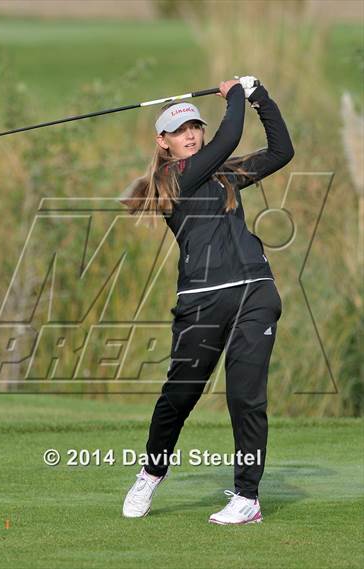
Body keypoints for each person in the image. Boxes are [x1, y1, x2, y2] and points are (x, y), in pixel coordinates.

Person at [119, 76, 295, 524]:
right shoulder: (173, 177)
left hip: (255, 293)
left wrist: (260, 98)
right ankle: (153, 470)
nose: (192, 134)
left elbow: (281, 152)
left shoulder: (224, 174)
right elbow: (230, 134)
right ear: (164, 143)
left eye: (195, 126)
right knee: (179, 396)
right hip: (201, 301)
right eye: (180, 131)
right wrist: (235, 91)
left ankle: (247, 497)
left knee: (246, 398)